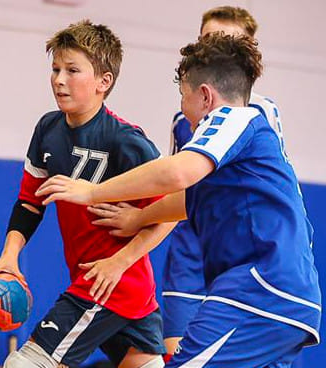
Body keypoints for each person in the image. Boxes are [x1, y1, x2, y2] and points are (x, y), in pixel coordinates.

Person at [37, 33, 321, 367]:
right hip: (286, 299)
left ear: (205, 96)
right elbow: (189, 198)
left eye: (183, 96)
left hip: (259, 289)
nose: (183, 111)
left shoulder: (234, 118)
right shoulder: (246, 150)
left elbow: (176, 173)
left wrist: (92, 192)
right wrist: (140, 218)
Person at [87, 6, 288, 359]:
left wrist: (92, 191)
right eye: (209, 38)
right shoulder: (185, 118)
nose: (218, 47)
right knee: (177, 354)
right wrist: (136, 226)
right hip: (192, 250)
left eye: (229, 40)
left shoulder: (257, 114)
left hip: (246, 256)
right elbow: (183, 194)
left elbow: (179, 174)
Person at [0, 19, 172, 368]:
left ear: (103, 82)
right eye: (55, 69)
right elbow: (30, 202)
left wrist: (118, 262)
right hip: (111, 287)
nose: (59, 79)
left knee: (24, 364)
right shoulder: (48, 129)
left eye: (72, 70)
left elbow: (173, 211)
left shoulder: (126, 141)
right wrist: (9, 256)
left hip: (109, 285)